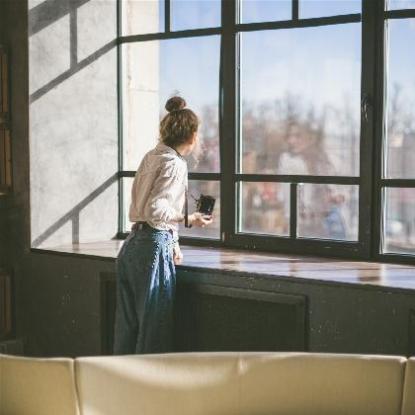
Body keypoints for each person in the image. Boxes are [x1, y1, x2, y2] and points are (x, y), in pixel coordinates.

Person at [113, 96, 213, 355]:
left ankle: (119, 387)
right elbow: (156, 209)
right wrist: (189, 219)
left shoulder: (152, 156)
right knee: (153, 329)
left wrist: (175, 242)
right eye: (197, 133)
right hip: (153, 248)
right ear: (191, 135)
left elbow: (146, 206)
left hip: (132, 246)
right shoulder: (175, 164)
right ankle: (148, 390)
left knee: (127, 327)